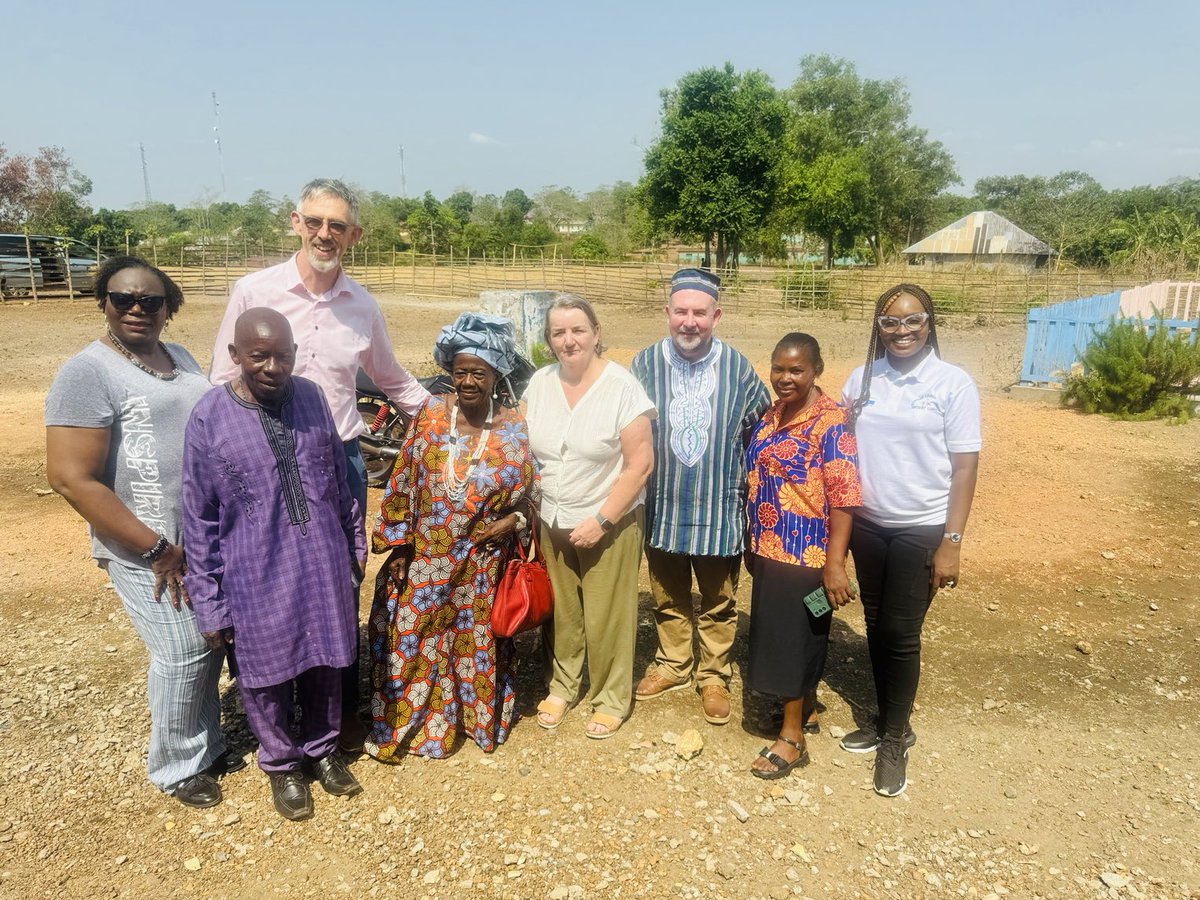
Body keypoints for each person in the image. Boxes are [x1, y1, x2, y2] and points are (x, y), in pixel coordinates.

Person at [208, 178, 429, 747]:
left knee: (341, 581)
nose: (324, 233)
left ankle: (337, 709)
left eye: (337, 225)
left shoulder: (362, 306)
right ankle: (276, 711)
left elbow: (392, 380)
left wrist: (453, 420)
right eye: (314, 221)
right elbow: (219, 380)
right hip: (262, 462)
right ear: (295, 222)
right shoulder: (253, 291)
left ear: (353, 235)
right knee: (266, 579)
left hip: (339, 463)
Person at [45, 256, 240, 809]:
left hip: (200, 539)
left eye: (150, 300)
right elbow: (70, 478)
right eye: (122, 298)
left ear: (168, 308)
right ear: (103, 302)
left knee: (209, 641)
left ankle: (206, 743)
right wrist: (154, 547)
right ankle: (177, 765)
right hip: (146, 545)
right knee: (181, 649)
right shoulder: (87, 372)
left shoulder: (175, 357)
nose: (136, 308)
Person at [182, 308, 366, 821]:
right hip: (255, 570)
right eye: (258, 356)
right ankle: (283, 765)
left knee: (328, 662)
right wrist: (210, 602)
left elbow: (336, 474)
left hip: (322, 561)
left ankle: (323, 750)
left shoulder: (311, 397)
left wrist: (354, 543)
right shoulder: (208, 417)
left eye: (282, 355)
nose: (271, 366)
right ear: (235, 356)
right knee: (262, 675)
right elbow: (198, 517)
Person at [365, 313, 538, 760]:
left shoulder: (515, 426)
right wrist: (400, 543)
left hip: (482, 561)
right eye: (459, 371)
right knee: (412, 633)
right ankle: (402, 730)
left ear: (496, 375)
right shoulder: (432, 415)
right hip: (426, 553)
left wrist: (513, 523)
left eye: (477, 373)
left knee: (472, 640)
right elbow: (402, 477)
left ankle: (468, 725)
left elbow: (530, 495)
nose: (466, 381)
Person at [841, 284, 981, 797]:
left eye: (912, 320)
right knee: (877, 624)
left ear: (930, 322)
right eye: (890, 323)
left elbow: (965, 467)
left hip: (922, 526)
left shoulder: (952, 383)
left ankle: (896, 737)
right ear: (878, 328)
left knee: (901, 633)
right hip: (868, 524)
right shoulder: (862, 378)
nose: (902, 331)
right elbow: (840, 446)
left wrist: (953, 541)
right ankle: (884, 720)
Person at [631, 268, 771, 726]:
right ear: (667, 313)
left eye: (700, 313)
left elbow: (762, 429)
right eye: (681, 311)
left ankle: (713, 674)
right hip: (663, 506)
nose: (689, 322)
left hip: (717, 506)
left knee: (718, 598)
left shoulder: (738, 369)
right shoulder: (644, 365)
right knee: (667, 595)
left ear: (717, 315)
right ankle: (674, 664)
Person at [524, 295, 655, 739]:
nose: (569, 340)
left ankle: (610, 697)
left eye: (578, 329)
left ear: (597, 333)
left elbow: (640, 464)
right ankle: (562, 684)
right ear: (549, 341)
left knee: (607, 614)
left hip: (609, 522)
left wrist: (601, 519)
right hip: (552, 517)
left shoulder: (622, 387)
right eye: (558, 332)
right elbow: (523, 448)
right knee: (563, 612)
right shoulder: (539, 383)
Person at [744, 333, 861, 779]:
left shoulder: (833, 424)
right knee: (797, 633)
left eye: (796, 370)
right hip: (771, 550)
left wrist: (835, 564)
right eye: (778, 368)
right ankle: (806, 709)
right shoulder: (773, 415)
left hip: (809, 558)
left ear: (817, 370)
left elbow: (845, 497)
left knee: (796, 639)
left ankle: (792, 738)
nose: (785, 378)